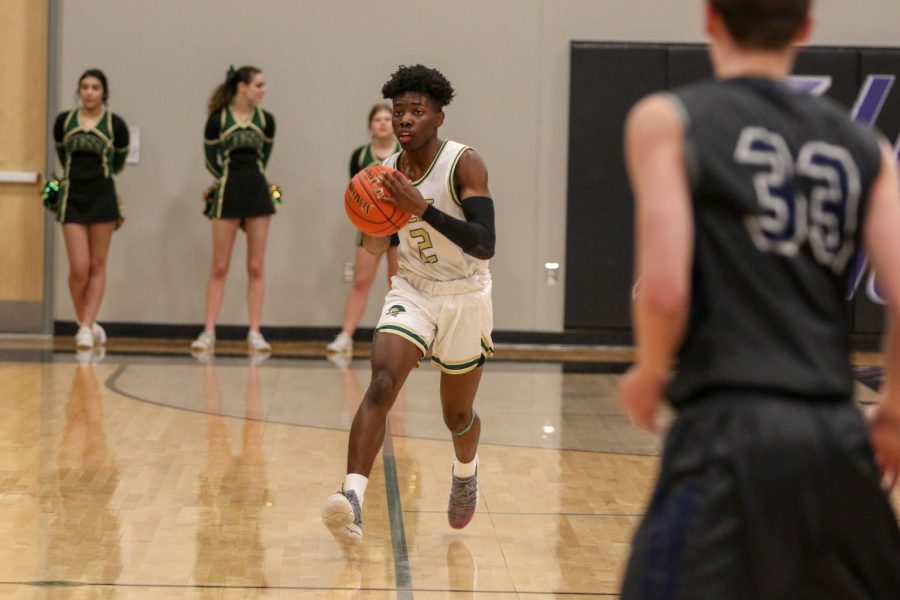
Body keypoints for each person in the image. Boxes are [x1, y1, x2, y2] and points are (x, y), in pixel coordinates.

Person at [617, 1, 900, 597]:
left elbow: (665, 290)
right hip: (836, 432)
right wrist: (895, 411)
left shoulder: (668, 118)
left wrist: (649, 371)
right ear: (805, 28)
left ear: (711, 20)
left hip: (726, 428)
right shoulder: (866, 146)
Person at [322, 64, 497, 547]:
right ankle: (352, 497)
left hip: (465, 292)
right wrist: (370, 222)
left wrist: (422, 208)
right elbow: (378, 244)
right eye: (399, 111)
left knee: (456, 416)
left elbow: (485, 243)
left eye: (416, 111)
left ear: (438, 117)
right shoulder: (384, 175)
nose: (404, 120)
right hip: (413, 289)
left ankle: (466, 471)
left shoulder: (464, 164)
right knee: (381, 382)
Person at [192, 66, 276, 355]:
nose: (263, 90)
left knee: (256, 266)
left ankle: (255, 332)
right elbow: (211, 160)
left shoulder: (267, 121)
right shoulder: (217, 120)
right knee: (219, 266)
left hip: (257, 192)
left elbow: (264, 156)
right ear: (242, 87)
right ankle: (208, 332)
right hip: (227, 192)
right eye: (259, 85)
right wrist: (229, 178)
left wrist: (252, 179)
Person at [52, 69, 130, 351]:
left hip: (102, 196)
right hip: (72, 195)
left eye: (95, 87)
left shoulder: (115, 126)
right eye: (84, 87)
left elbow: (118, 162)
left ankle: (85, 326)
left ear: (104, 93)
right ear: (79, 90)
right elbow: (62, 155)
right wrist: (55, 190)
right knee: (79, 267)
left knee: (97, 264)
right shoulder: (64, 122)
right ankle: (85, 320)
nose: (89, 92)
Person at [326, 104, 402, 356]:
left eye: (386, 118)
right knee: (361, 282)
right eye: (377, 119)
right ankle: (345, 336)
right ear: (370, 126)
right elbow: (355, 195)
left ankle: (398, 339)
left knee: (398, 285)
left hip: (400, 226)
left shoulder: (404, 154)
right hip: (370, 226)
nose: (382, 123)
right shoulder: (360, 156)